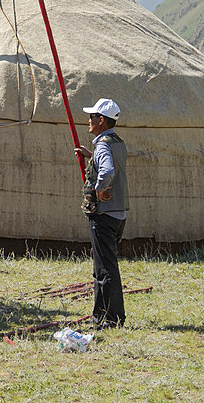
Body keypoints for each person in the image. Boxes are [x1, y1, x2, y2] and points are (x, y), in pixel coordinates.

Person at [75, 98, 128, 329]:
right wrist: (91, 156)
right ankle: (100, 315)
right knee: (105, 265)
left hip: (104, 214)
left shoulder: (103, 145)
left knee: (104, 268)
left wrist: (98, 191)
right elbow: (108, 163)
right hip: (118, 213)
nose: (89, 120)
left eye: (92, 117)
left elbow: (107, 171)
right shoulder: (117, 142)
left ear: (102, 120)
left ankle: (112, 318)